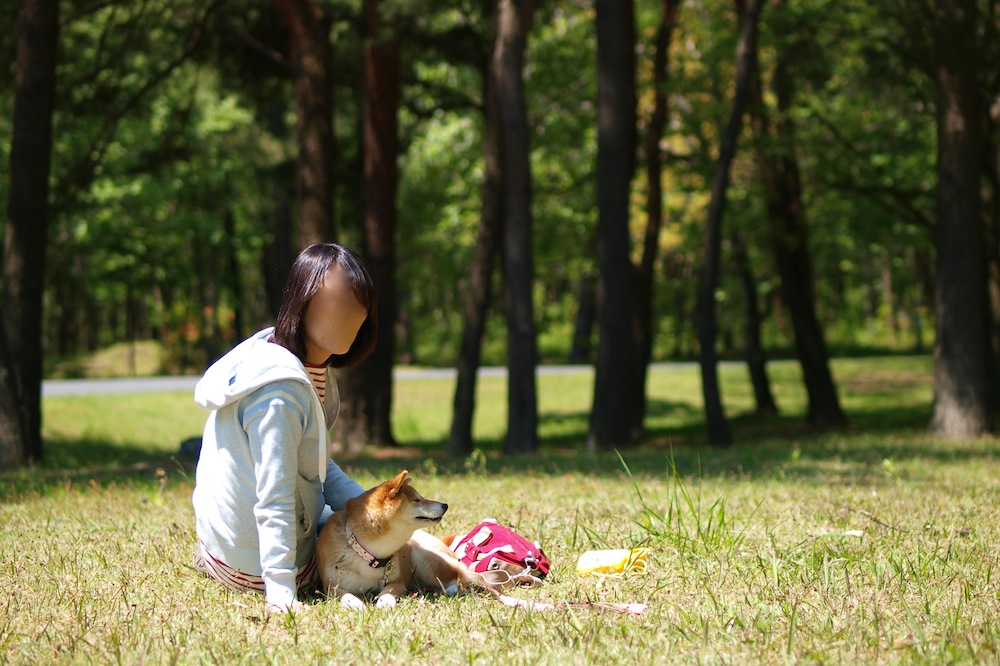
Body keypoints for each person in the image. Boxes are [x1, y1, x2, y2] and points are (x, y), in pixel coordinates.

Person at [191, 242, 377, 612]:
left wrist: (370, 509)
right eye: (337, 300)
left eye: (359, 302)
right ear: (303, 298)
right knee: (372, 545)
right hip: (258, 569)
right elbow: (274, 495)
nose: (352, 313)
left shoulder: (294, 362)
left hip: (226, 550)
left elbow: (315, 466)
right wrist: (282, 591)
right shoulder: (281, 391)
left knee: (378, 526)